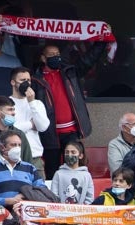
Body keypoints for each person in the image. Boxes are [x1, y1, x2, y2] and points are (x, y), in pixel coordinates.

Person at [31, 44, 95, 177]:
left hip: (71, 132)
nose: (56, 57)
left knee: (74, 168)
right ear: (43, 58)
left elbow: (88, 61)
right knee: (52, 170)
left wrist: (102, 42)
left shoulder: (69, 73)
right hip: (50, 134)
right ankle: (53, 198)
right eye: (51, 55)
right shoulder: (35, 80)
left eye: (58, 54)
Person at [0, 130, 46, 208]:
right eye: (13, 145)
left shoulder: (30, 168)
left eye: (19, 145)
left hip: (25, 214)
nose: (17, 148)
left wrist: (25, 194)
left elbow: (42, 191)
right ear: (2, 147)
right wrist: (6, 201)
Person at [9, 67, 50, 175]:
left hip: (35, 158)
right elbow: (9, 129)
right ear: (13, 82)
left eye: (28, 80)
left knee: (39, 191)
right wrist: (30, 124)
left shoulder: (37, 103)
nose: (26, 83)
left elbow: (43, 127)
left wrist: (31, 102)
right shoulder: (5, 104)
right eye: (22, 80)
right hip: (13, 159)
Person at [50, 140, 94, 205]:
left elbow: (90, 196)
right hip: (61, 212)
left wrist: (84, 208)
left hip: (81, 212)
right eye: (67, 152)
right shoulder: (58, 174)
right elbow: (54, 195)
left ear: (80, 156)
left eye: (73, 152)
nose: (69, 155)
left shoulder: (87, 175)